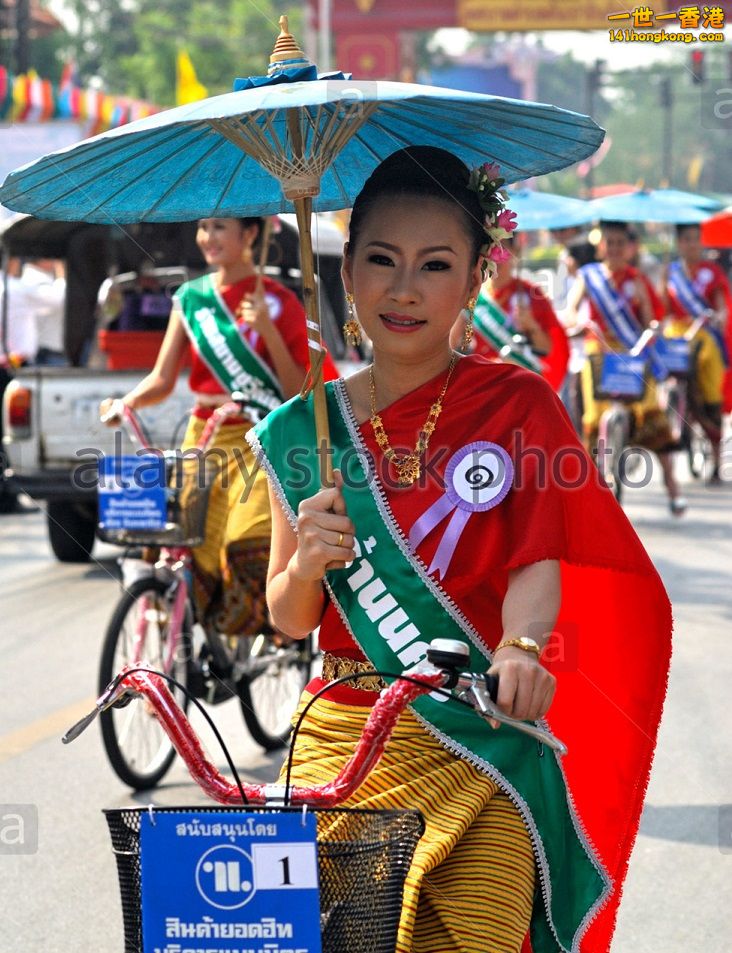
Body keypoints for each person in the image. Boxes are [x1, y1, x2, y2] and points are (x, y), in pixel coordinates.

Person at [247, 148, 671, 953]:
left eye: (434, 265)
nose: (403, 289)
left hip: (475, 731)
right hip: (341, 732)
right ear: (346, 271)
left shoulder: (518, 403)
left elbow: (535, 558)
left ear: (475, 278)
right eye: (381, 261)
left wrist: (519, 648)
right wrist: (306, 563)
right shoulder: (300, 432)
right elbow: (289, 617)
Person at [100, 216, 338, 637]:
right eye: (203, 227)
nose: (206, 237)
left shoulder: (280, 301)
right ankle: (199, 639)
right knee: (190, 545)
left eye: (219, 227)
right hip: (204, 435)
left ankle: (263, 631)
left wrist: (267, 328)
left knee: (242, 539)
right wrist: (127, 402)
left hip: (256, 438)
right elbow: (163, 378)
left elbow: (297, 389)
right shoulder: (191, 298)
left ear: (249, 235)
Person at [567, 220, 686, 515]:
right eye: (610, 242)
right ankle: (585, 499)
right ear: (600, 246)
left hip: (632, 354)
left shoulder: (637, 279)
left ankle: (672, 488)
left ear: (629, 248)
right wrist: (577, 323)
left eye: (621, 243)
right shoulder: (588, 276)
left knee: (652, 417)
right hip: (599, 353)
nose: (616, 248)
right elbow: (570, 310)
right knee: (591, 420)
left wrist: (654, 328)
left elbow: (649, 320)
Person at [454, 234, 569, 391]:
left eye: (502, 249)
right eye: (490, 250)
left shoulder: (532, 294)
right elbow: (452, 346)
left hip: (519, 387)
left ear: (515, 251)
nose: (495, 257)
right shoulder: (472, 295)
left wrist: (531, 326)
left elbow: (548, 349)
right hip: (481, 386)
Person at [662, 222, 730, 484]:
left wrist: (720, 317)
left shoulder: (712, 272)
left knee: (710, 391)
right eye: (687, 239)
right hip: (677, 334)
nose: (692, 244)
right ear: (679, 243)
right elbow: (663, 309)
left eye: (696, 239)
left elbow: (722, 305)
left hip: (703, 333)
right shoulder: (671, 272)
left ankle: (715, 460)